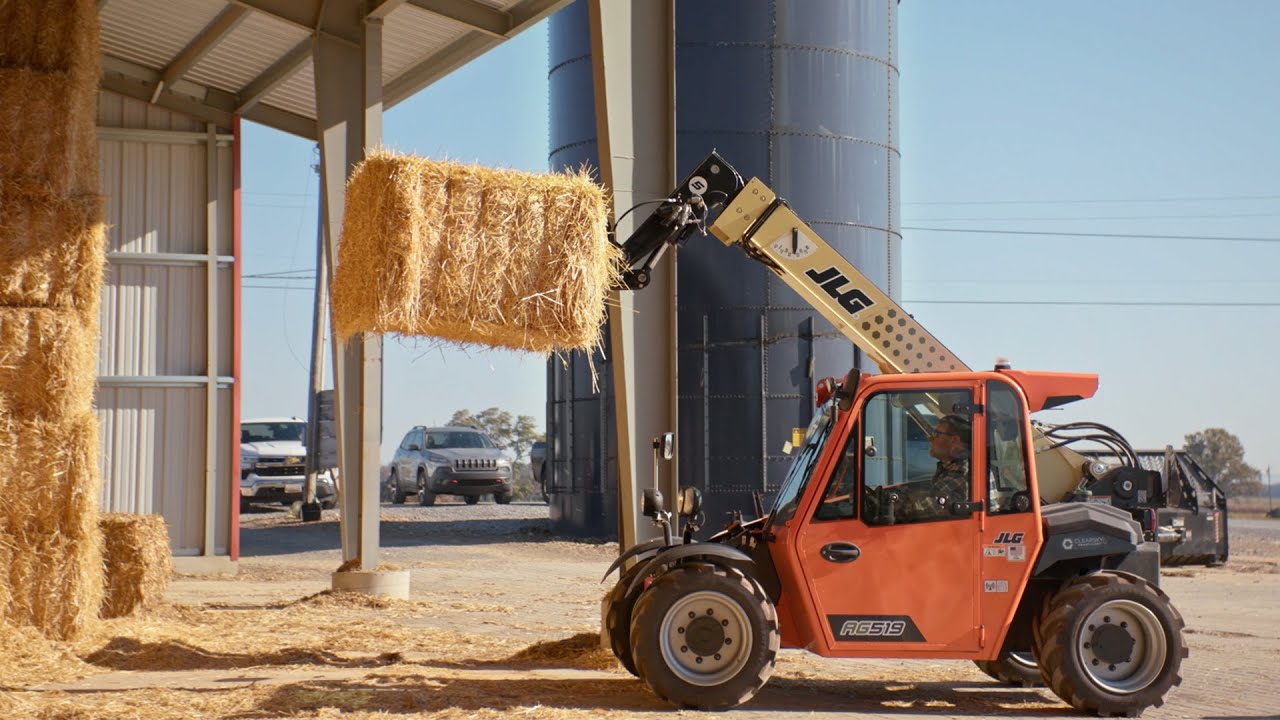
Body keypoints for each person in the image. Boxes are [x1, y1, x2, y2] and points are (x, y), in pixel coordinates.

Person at [906, 413, 973, 520]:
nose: (930, 438)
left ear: (954, 440)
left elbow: (918, 512)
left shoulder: (961, 474)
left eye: (936, 434)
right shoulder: (952, 468)